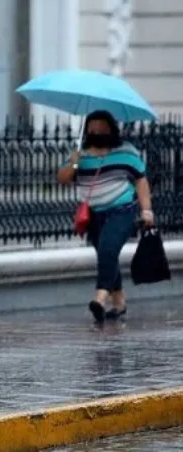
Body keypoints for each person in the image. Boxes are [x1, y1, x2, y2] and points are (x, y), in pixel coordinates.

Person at [56, 110, 154, 323]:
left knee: (108, 248)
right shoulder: (80, 154)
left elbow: (140, 180)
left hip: (122, 210)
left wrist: (147, 210)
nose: (96, 130)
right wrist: (73, 162)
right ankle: (119, 303)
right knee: (105, 253)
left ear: (111, 129)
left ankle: (100, 299)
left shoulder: (126, 152)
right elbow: (62, 178)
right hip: (93, 214)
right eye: (92, 127)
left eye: (101, 126)